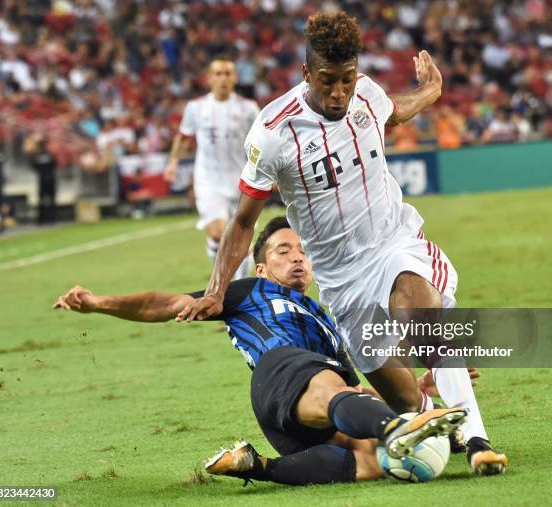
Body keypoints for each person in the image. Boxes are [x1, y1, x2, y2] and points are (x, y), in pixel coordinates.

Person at [176, 12, 507, 475]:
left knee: (423, 313)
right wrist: (217, 288)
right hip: (342, 282)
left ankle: (477, 441)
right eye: (328, 81)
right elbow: (243, 220)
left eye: (347, 80)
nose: (338, 93)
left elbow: (397, 108)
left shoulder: (365, 95)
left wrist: (432, 88)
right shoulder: (274, 131)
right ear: (307, 73)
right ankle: (441, 419)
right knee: (409, 403)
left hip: (394, 243)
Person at [53, 217, 467, 486]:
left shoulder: (328, 321)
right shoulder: (251, 291)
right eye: (284, 251)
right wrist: (98, 303)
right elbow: (164, 304)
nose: (298, 259)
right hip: (279, 371)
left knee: (372, 462)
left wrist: (415, 388)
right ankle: (394, 429)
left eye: (303, 252)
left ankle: (259, 466)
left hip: (295, 422)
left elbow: (354, 393)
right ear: (264, 268)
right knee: (336, 394)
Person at [163, 55, 260, 279]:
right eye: (218, 74)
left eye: (228, 73)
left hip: (241, 179)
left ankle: (240, 285)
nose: (223, 78)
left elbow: (261, 140)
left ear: (235, 78)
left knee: (240, 236)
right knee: (218, 232)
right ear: (209, 78)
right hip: (208, 181)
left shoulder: (248, 108)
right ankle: (222, 281)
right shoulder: (196, 108)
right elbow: (184, 136)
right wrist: (173, 162)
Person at [23, 132, 58, 225]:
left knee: (50, 199)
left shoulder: (48, 154)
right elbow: (34, 166)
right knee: (43, 199)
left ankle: (51, 218)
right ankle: (42, 219)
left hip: (48, 178)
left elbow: (54, 164)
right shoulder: (37, 155)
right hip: (43, 179)